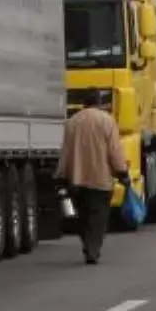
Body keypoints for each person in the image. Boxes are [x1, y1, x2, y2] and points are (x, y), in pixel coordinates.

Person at [55, 91, 129, 265]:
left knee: (83, 215)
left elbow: (65, 151)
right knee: (98, 216)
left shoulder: (72, 122)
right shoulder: (106, 121)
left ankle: (88, 243)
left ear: (83, 103)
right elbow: (114, 151)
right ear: (100, 102)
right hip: (100, 179)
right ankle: (92, 248)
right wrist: (122, 172)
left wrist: (60, 175)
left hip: (77, 178)